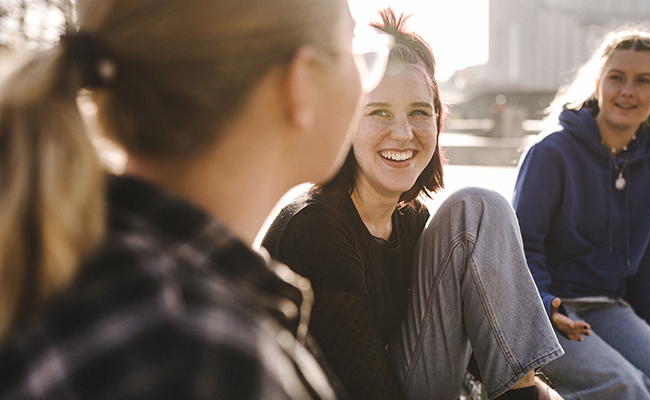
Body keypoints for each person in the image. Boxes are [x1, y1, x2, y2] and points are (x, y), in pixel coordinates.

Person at [0, 0, 390, 398]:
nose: (367, 76)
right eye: (352, 44)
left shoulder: (69, 257)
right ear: (301, 82)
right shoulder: (204, 357)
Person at [263, 9, 564, 400]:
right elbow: (366, 391)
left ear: (438, 122)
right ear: (347, 120)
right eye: (379, 112)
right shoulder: (317, 229)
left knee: (474, 209)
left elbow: (460, 328)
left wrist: (538, 391)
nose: (403, 133)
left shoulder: (411, 218)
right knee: (475, 208)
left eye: (420, 112)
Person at [512, 29, 650, 400]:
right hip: (547, 310)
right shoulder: (552, 152)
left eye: (643, 81)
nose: (628, 90)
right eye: (617, 77)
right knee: (628, 390)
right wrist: (547, 307)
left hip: (609, 309)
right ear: (598, 83)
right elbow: (518, 250)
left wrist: (648, 341)